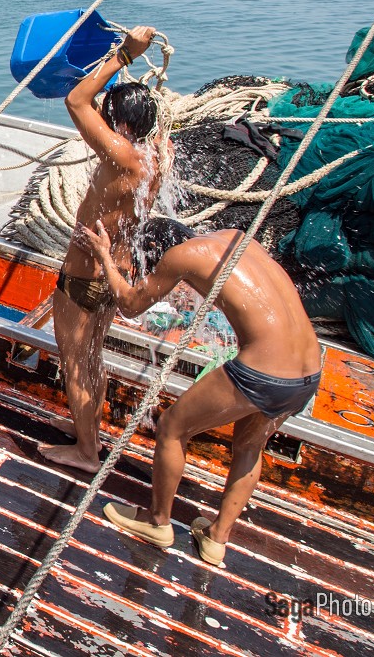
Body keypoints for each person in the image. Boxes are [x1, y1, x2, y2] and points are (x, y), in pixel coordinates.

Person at [83, 217, 321, 567]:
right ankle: (215, 539)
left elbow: (132, 304)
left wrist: (104, 255)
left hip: (263, 372)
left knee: (172, 429)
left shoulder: (182, 257)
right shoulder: (238, 237)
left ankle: (157, 521)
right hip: (309, 372)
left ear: (158, 253)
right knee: (250, 446)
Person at [39, 25, 165, 474]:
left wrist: (125, 55)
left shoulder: (123, 155)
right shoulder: (155, 157)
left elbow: (76, 100)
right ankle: (87, 428)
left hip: (82, 276)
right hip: (115, 273)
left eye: (110, 119)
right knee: (93, 354)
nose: (102, 124)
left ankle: (86, 453)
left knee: (75, 361)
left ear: (123, 126)